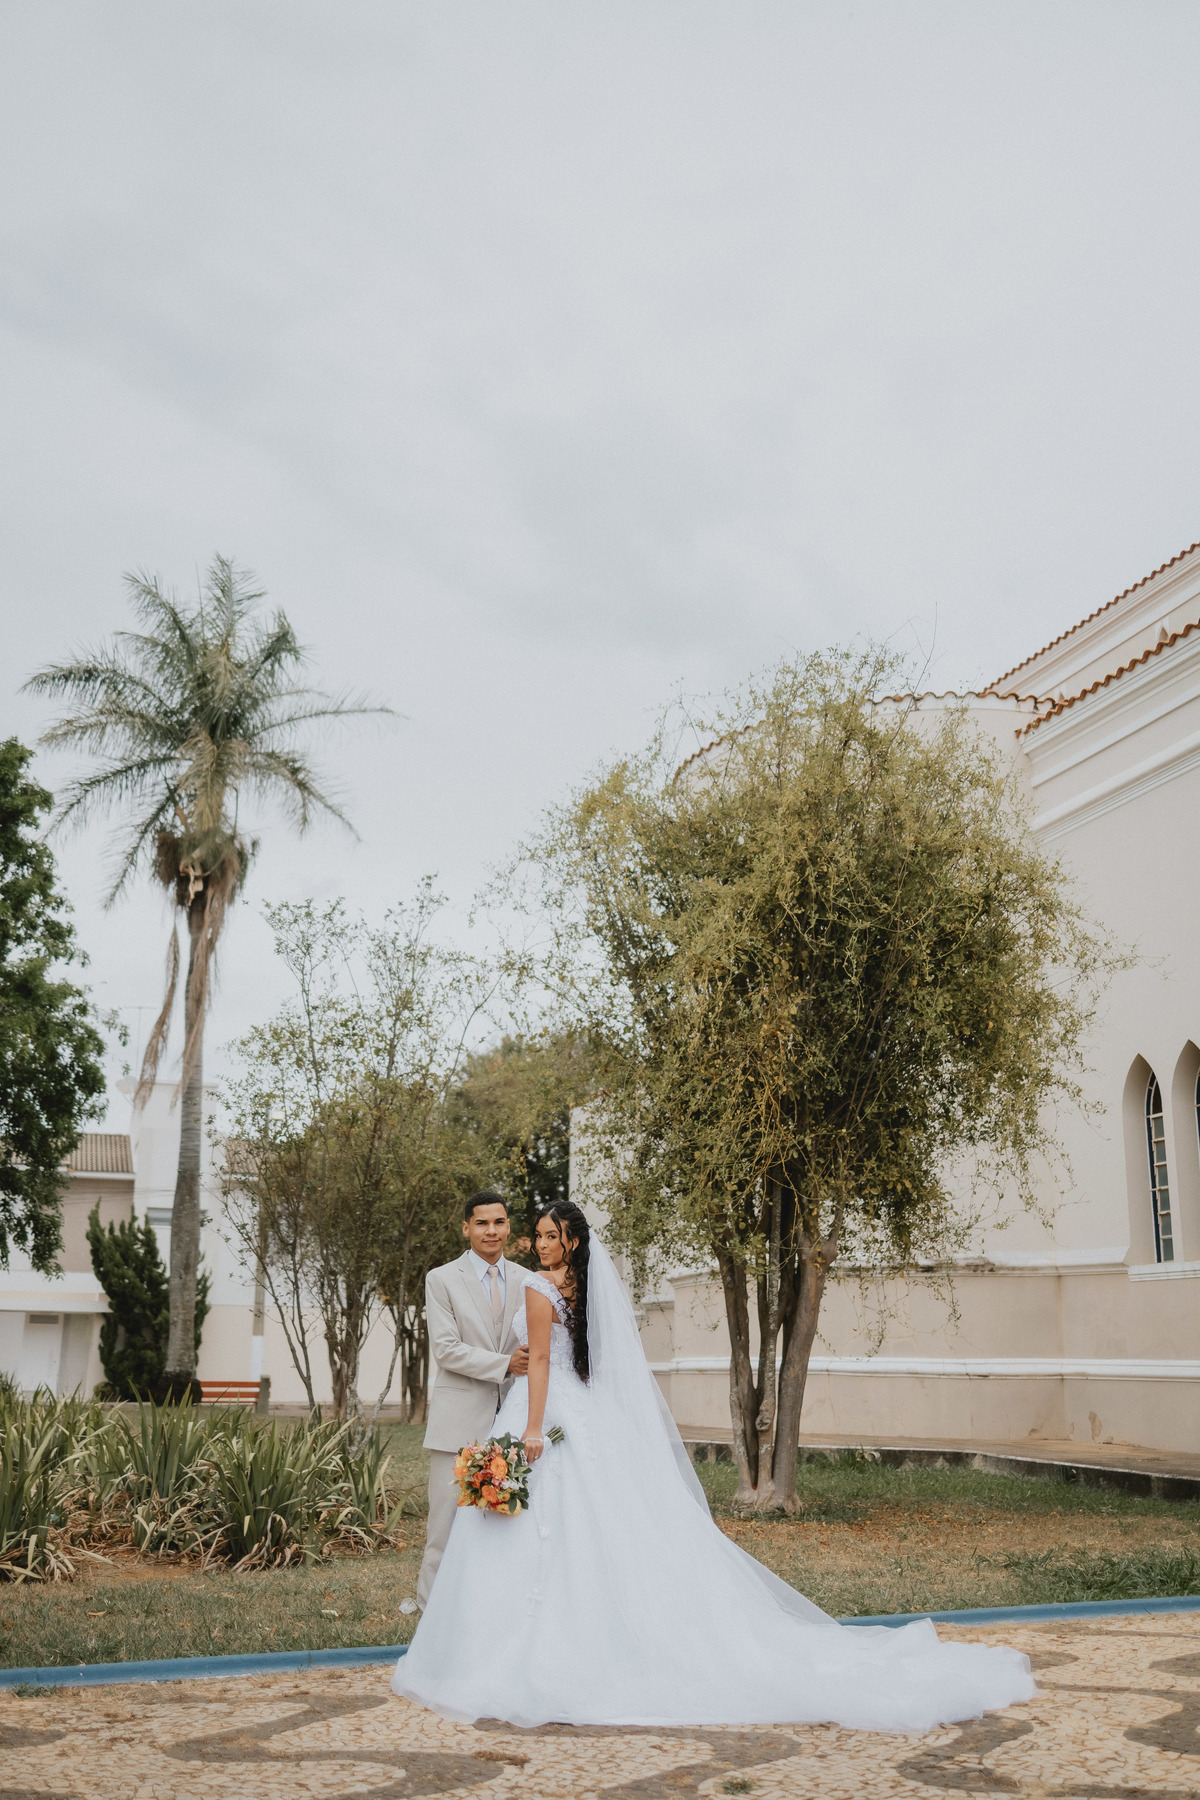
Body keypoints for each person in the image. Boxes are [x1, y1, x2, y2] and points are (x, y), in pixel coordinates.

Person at [393, 1200, 1036, 1732]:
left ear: (573, 1242)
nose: (538, 1245)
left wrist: (533, 1429)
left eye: (547, 1236)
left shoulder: (537, 1287)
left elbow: (538, 1362)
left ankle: (516, 1650)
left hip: (545, 1414)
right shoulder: (580, 1287)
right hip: (581, 1411)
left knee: (538, 1527)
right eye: (535, 1236)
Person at [415, 1191, 529, 1611]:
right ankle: (430, 1611)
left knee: (504, 1525)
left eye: (498, 1222)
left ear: (508, 1227)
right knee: (444, 1526)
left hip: (511, 1421)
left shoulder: (528, 1280)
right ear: (466, 1228)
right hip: (458, 1421)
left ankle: (489, 1611)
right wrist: (505, 1364)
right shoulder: (442, 1279)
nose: (491, 1231)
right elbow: (446, 1350)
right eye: (481, 1223)